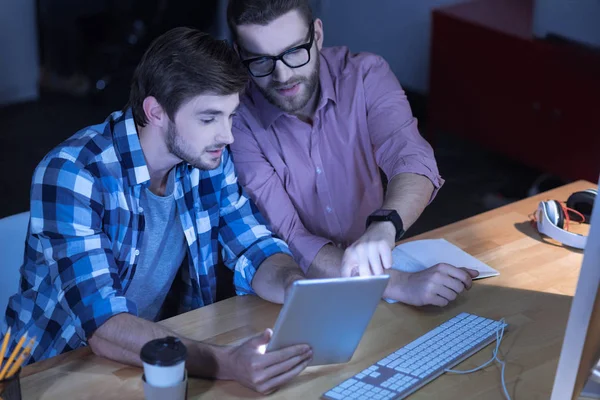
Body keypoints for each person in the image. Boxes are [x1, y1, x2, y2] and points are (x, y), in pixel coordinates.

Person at [2, 27, 311, 394]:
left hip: (149, 355)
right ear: (156, 112)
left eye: (231, 116)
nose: (227, 136)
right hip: (46, 373)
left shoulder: (206, 159)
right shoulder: (73, 174)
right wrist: (224, 363)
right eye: (209, 118)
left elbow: (252, 245)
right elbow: (105, 326)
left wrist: (293, 282)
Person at [227, 0, 479, 308]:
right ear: (240, 54)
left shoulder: (365, 74)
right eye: (261, 61)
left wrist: (385, 225)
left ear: (316, 35)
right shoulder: (236, 120)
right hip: (293, 293)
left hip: (382, 260)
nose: (282, 76)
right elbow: (292, 236)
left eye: (294, 51)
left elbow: (412, 159)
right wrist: (398, 284)